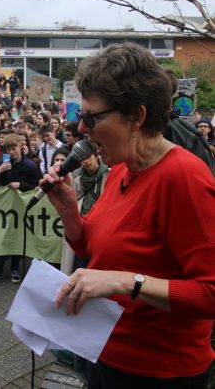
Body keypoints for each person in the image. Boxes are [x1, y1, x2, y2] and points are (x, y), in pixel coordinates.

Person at [42, 42, 215, 389]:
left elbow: (209, 293)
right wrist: (69, 211)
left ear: (137, 116)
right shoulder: (122, 167)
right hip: (105, 352)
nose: (80, 131)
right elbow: (98, 246)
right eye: (80, 116)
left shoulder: (184, 178)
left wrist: (125, 281)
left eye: (92, 117)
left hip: (158, 373)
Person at [0, 133, 42, 285]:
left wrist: (21, 185)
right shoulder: (3, 162)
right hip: (5, 208)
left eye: (13, 149)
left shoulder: (30, 165)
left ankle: (15, 268)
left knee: (18, 237)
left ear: (21, 147)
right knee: (2, 237)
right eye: (8, 149)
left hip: (21, 208)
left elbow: (38, 187)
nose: (11, 152)